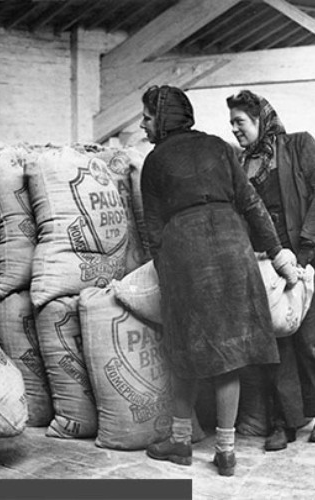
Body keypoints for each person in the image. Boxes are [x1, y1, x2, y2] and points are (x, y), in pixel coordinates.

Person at [139, 85, 298, 477]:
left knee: (184, 347)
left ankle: (180, 443)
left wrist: (166, 272)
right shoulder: (218, 147)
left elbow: (153, 229)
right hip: (232, 247)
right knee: (230, 352)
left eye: (147, 116)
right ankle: (226, 451)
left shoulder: (155, 161)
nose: (143, 124)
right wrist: (278, 254)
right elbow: (251, 203)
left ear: (162, 118)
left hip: (185, 250)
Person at [226, 89, 315, 451]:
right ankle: (286, 422)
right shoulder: (242, 163)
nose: (234, 129)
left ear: (260, 118)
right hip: (266, 261)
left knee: (310, 340)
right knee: (278, 342)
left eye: (239, 121)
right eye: (231, 123)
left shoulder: (298, 146)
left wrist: (306, 249)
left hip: (305, 255)